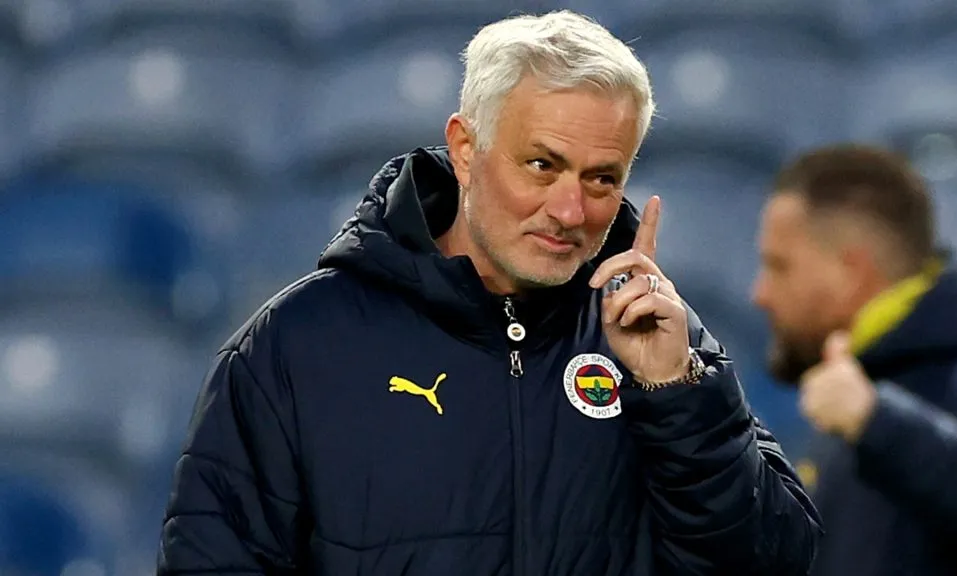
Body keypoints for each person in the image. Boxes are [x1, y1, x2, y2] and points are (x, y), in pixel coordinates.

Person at [158, 10, 822, 575]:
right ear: (466, 148)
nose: (570, 210)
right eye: (543, 165)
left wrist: (677, 394)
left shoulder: (666, 344)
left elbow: (776, 561)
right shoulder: (293, 348)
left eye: (601, 179)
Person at [750, 144, 957, 576]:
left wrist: (877, 422)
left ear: (852, 272)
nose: (760, 293)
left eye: (780, 266)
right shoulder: (861, 384)